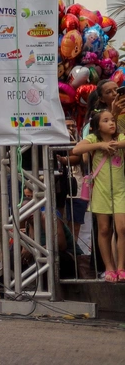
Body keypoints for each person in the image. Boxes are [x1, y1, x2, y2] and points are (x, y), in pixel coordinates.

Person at [72, 108, 125, 281]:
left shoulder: (119, 137)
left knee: (122, 228)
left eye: (112, 120)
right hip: (101, 191)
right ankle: (109, 269)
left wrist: (117, 145)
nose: (111, 123)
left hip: (120, 191)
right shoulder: (93, 138)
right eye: (106, 120)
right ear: (97, 126)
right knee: (103, 229)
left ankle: (121, 267)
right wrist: (100, 145)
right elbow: (77, 150)